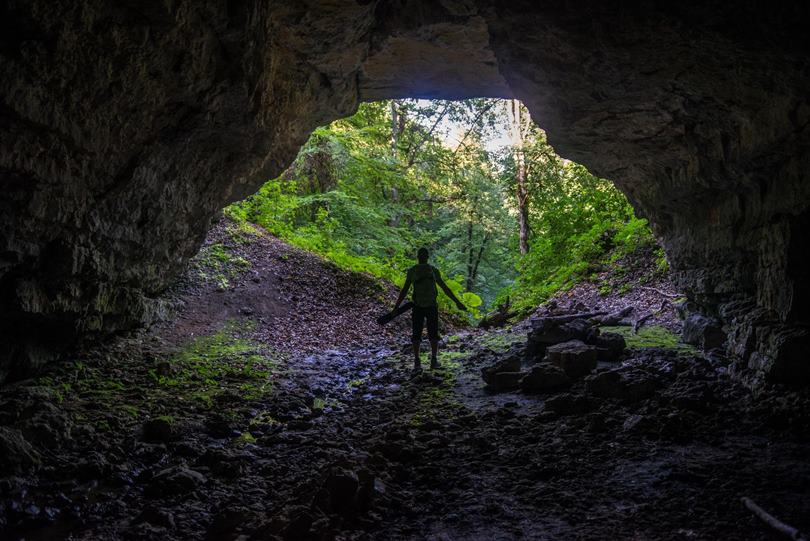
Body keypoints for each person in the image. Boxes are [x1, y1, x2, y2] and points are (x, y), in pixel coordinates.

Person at [393, 247, 466, 373]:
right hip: (431, 306)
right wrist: (457, 302)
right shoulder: (433, 270)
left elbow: (404, 290)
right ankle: (433, 360)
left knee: (416, 334)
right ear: (427, 257)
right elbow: (445, 288)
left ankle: (417, 362)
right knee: (433, 333)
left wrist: (396, 307)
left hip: (417, 306)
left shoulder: (412, 271)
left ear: (418, 257)